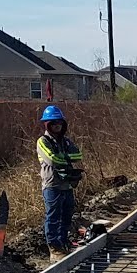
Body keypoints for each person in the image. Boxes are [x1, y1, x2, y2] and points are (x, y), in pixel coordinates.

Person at [36, 104, 84, 259]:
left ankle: (63, 242)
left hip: (66, 183)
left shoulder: (66, 141)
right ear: (47, 124)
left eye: (59, 122)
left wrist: (64, 158)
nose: (57, 125)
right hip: (52, 184)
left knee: (67, 214)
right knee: (53, 216)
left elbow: (78, 156)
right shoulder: (43, 141)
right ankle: (54, 247)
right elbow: (52, 159)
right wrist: (67, 158)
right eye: (53, 123)